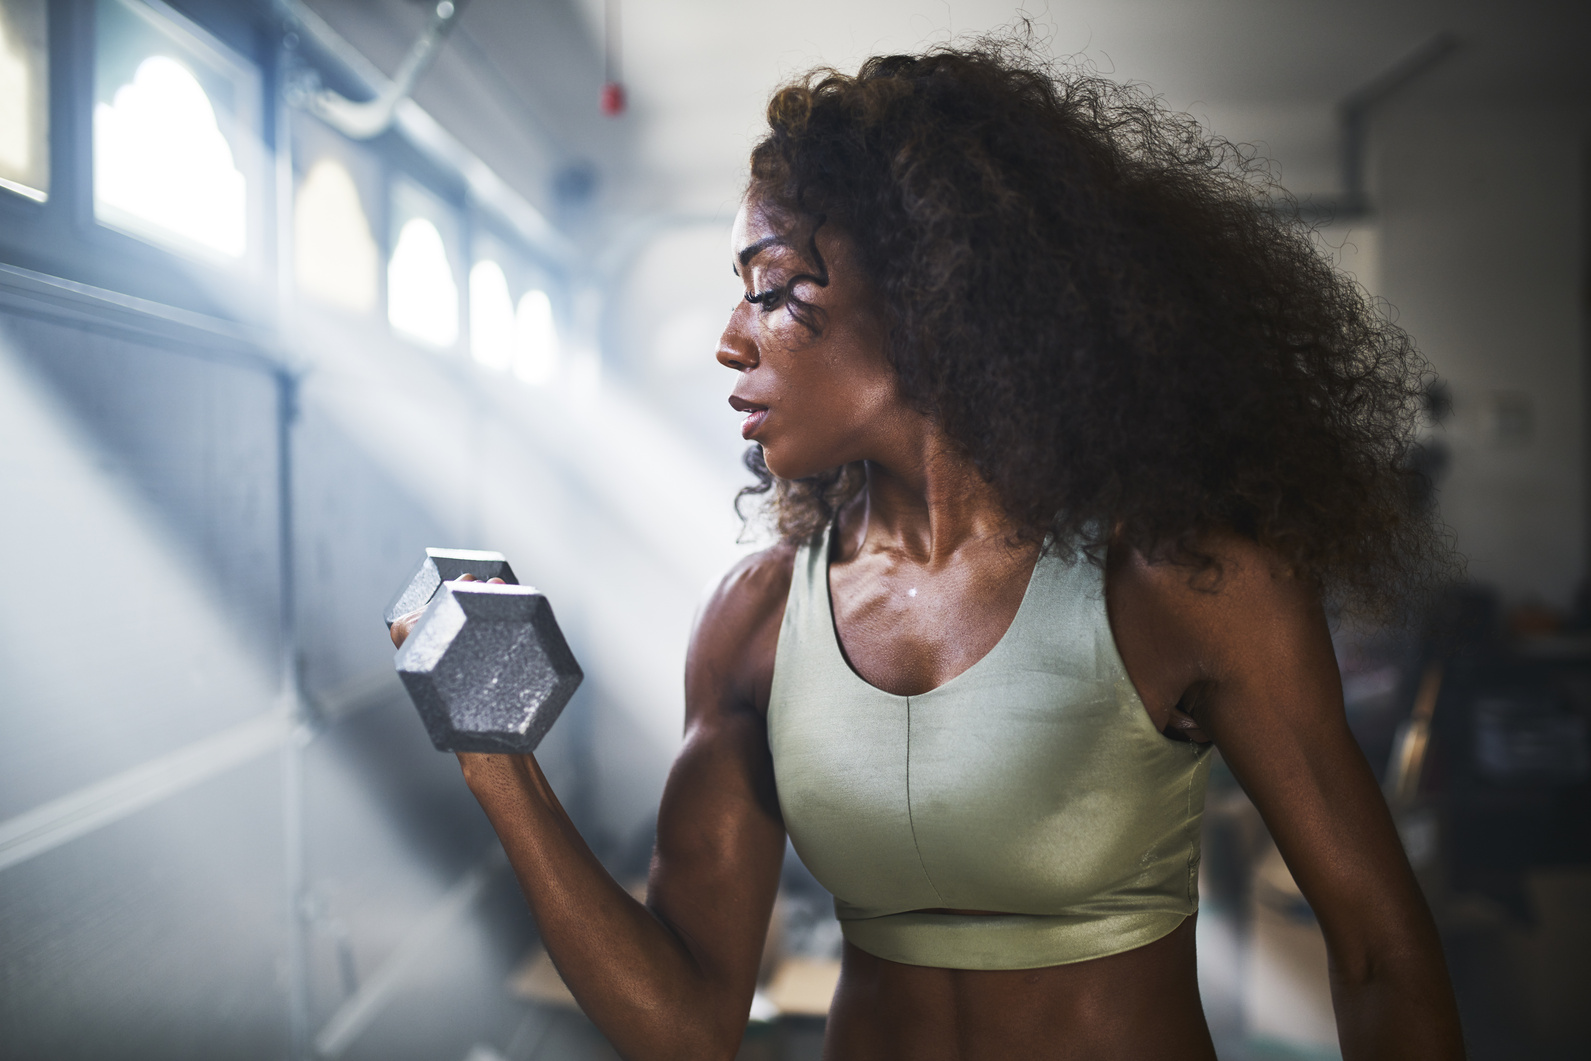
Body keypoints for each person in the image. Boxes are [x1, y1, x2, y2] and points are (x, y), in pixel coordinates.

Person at [392, 38, 1466, 1061]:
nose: (729, 336)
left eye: (770, 286)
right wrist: (498, 764)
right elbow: (685, 1027)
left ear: (928, 291)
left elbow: (1380, 956)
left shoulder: (1178, 581)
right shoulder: (755, 620)